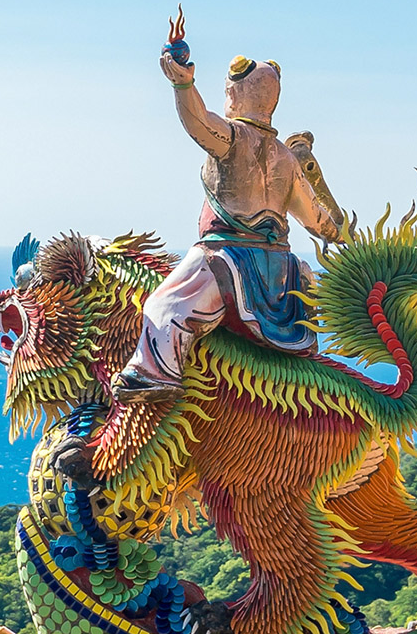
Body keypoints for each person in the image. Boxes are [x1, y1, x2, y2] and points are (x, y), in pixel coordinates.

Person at [112, 34, 342, 404]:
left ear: (235, 93)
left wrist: (183, 83)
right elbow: (316, 219)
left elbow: (198, 122)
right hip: (282, 274)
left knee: (162, 308)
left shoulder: (233, 138)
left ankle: (154, 376)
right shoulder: (286, 158)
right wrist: (338, 229)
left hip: (227, 262)